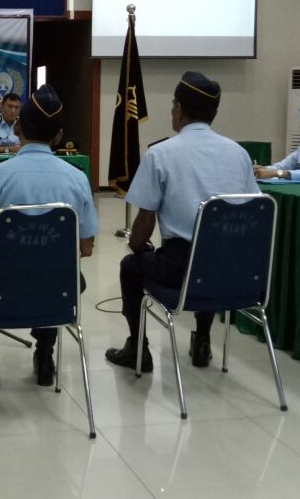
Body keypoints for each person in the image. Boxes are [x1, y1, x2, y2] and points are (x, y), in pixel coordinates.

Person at [105, 71, 260, 373]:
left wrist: (137, 246)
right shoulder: (239, 154)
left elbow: (145, 222)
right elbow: (253, 209)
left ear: (178, 108)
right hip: (235, 270)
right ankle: (202, 340)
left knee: (131, 267)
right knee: (211, 251)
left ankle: (137, 349)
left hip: (182, 267)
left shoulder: (160, 154)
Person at [0, 84, 99, 388]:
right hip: (56, 288)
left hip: (2, 289)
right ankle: (45, 354)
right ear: (58, 136)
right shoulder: (77, 178)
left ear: (17, 127)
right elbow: (86, 248)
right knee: (64, 277)